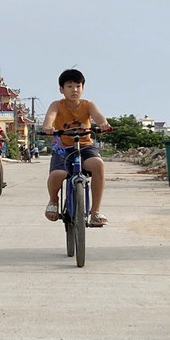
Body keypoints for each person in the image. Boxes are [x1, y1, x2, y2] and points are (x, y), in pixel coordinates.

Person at [42, 68, 112, 227]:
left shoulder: (88, 105)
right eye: (69, 86)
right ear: (61, 89)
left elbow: (99, 116)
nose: (74, 90)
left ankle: (95, 212)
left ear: (83, 88)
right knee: (57, 174)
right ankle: (53, 200)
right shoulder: (57, 105)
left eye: (78, 86)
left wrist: (103, 124)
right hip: (63, 148)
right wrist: (47, 127)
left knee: (98, 164)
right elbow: (50, 117)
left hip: (85, 147)